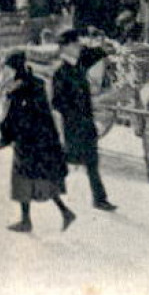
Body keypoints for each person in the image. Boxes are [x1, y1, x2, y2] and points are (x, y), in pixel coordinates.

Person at [0, 53, 75, 233]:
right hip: (43, 139)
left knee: (23, 179)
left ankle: (27, 221)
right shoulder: (36, 82)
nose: (5, 72)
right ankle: (64, 212)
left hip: (28, 141)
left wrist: (5, 136)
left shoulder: (18, 89)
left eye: (7, 68)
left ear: (13, 68)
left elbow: (12, 117)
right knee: (41, 179)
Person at [50, 29, 117, 212]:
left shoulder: (79, 65)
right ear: (66, 47)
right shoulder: (60, 72)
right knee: (68, 159)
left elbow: (94, 54)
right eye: (75, 44)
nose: (79, 46)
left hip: (86, 124)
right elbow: (57, 104)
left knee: (91, 161)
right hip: (73, 125)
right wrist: (67, 126)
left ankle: (99, 199)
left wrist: (103, 45)